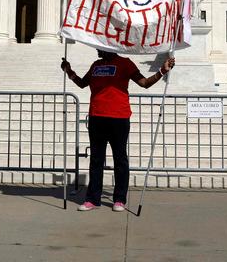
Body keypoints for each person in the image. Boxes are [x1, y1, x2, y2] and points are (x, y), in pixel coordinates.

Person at [61, 50, 175, 212]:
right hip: (97, 117)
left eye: (100, 46)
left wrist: (162, 71)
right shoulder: (96, 65)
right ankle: (92, 199)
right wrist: (69, 71)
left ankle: (119, 199)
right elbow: (82, 83)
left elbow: (144, 83)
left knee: (120, 159)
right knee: (96, 160)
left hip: (119, 118)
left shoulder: (125, 63)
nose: (96, 49)